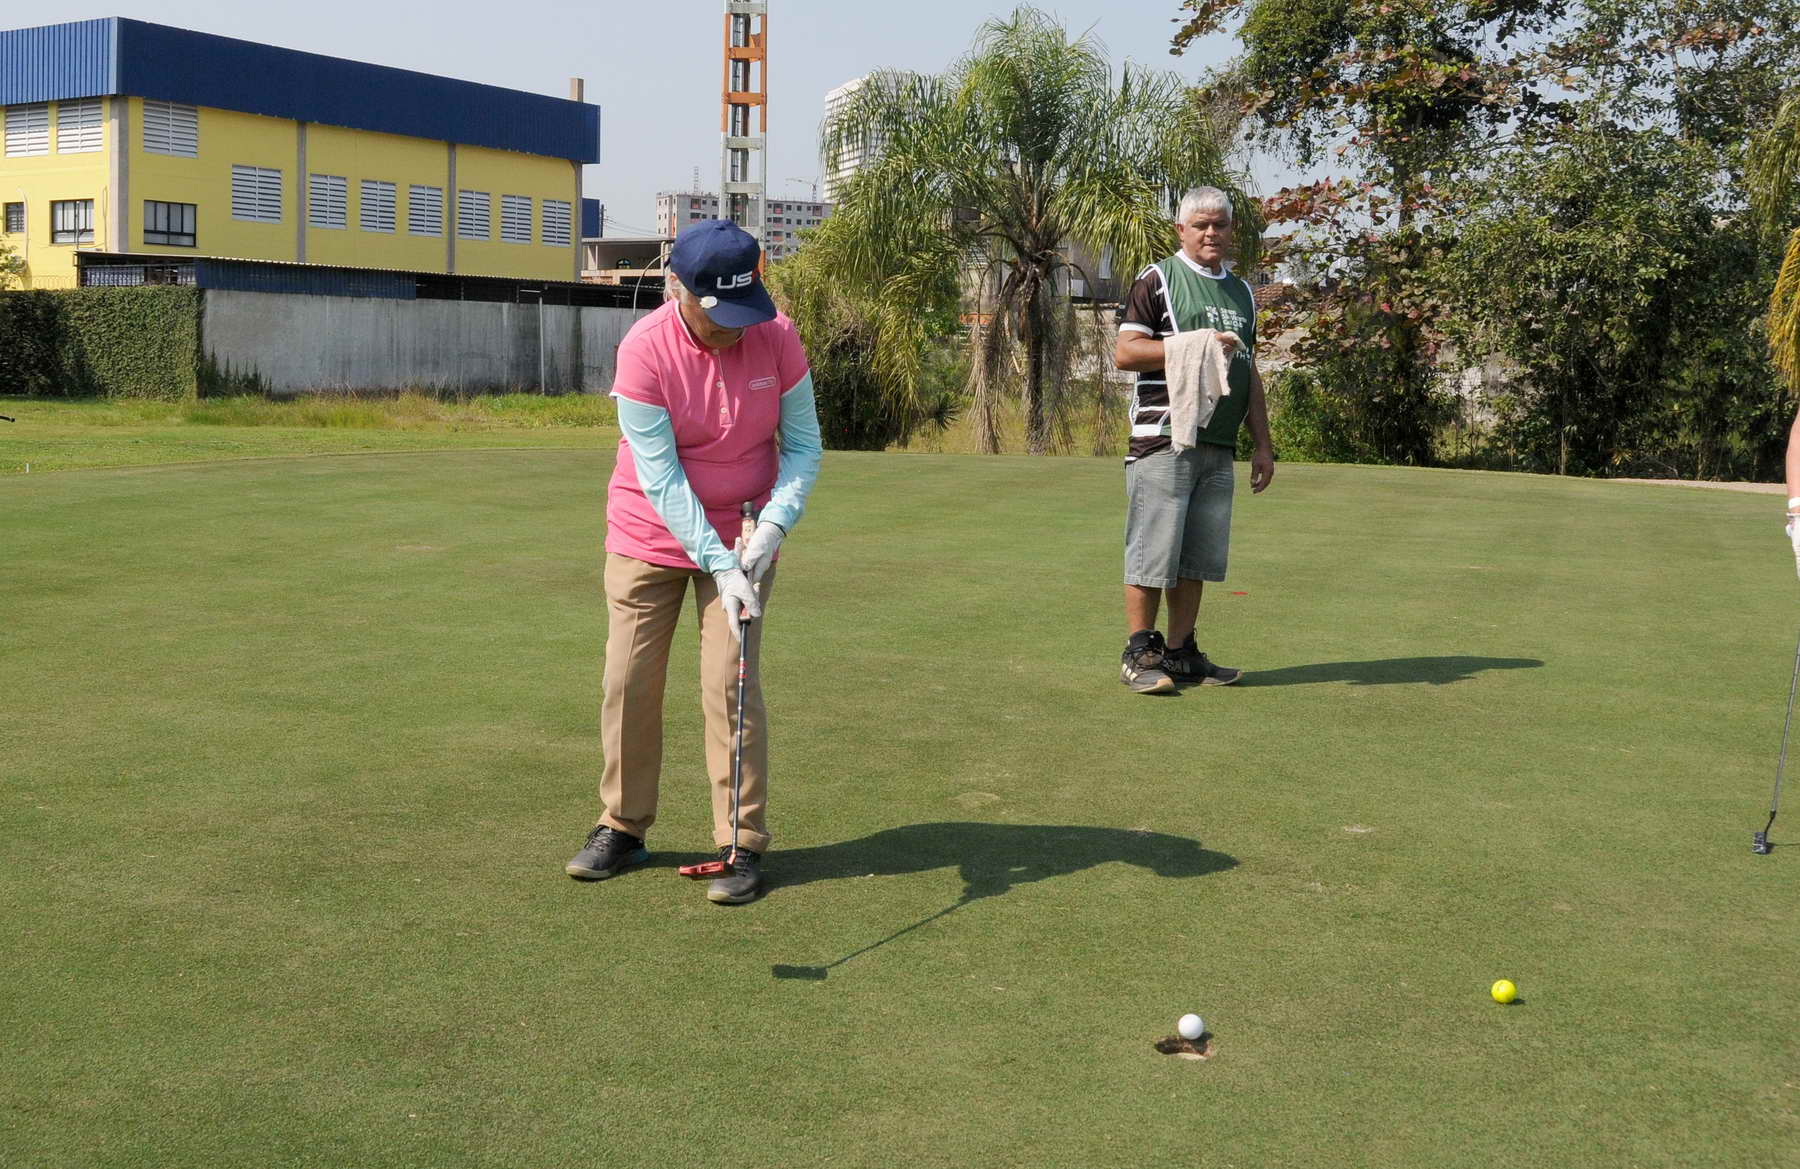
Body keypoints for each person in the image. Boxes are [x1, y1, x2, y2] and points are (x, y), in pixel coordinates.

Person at [564, 219, 822, 903]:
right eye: (718, 316)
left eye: (744, 311)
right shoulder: (644, 348)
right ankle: (622, 825)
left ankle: (741, 841)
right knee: (628, 680)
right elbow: (661, 477)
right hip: (648, 533)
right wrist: (718, 562)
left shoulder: (777, 335)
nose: (734, 331)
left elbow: (802, 446)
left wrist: (771, 530)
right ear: (677, 289)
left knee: (730, 685)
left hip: (746, 532)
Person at [1112, 186, 1274, 694]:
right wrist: (1196, 344)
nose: (1211, 233)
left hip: (1219, 442)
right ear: (1181, 229)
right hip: (1165, 435)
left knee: (1196, 556)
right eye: (1201, 225)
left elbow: (1248, 369)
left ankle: (1181, 653)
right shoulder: (1159, 277)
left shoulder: (1242, 292)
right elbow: (1126, 352)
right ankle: (1140, 653)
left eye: (1219, 225)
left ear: (1231, 231)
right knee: (1153, 550)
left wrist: (1262, 444)